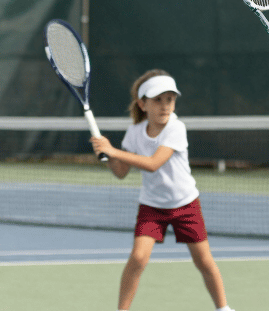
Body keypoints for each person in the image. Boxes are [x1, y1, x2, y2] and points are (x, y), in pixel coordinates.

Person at [91, 70, 233, 311]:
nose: (165, 105)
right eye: (158, 100)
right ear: (142, 104)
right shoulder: (135, 132)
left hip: (185, 204)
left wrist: (113, 151)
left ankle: (223, 309)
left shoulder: (176, 128)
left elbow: (153, 164)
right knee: (137, 259)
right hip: (152, 207)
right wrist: (104, 155)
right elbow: (121, 172)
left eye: (170, 99)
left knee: (203, 261)